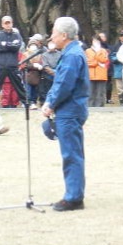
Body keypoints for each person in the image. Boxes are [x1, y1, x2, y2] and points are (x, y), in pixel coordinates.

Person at [41, 17, 90, 211]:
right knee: (72, 153)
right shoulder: (71, 52)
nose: (51, 36)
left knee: (71, 154)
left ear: (63, 35)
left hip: (69, 111)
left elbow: (64, 85)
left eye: (53, 32)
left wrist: (51, 104)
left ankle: (74, 198)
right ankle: (74, 193)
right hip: (69, 109)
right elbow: (60, 82)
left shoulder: (72, 55)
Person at [0, 15, 26, 105]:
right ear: (2, 24)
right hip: (2, 65)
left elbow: (17, 47)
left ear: (12, 23)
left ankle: (26, 102)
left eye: (9, 23)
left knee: (19, 85)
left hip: (13, 65)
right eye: (6, 23)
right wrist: (10, 45)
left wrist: (5, 44)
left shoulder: (16, 35)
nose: (8, 25)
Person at [85, 34, 110, 108]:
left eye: (97, 41)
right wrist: (96, 63)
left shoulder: (103, 51)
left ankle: (100, 107)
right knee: (90, 93)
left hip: (101, 75)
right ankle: (90, 107)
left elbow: (104, 60)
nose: (95, 42)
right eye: (94, 40)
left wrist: (98, 52)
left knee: (100, 93)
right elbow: (87, 62)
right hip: (91, 75)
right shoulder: (87, 51)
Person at [109, 30, 123, 105]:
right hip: (118, 70)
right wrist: (120, 58)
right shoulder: (115, 47)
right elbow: (111, 57)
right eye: (121, 36)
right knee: (120, 89)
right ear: (119, 37)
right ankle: (122, 104)